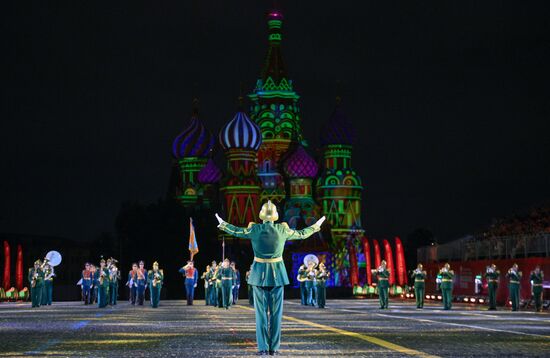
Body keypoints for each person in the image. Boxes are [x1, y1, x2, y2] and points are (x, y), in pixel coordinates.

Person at [216, 200, 325, 356]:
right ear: (275, 216)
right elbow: (302, 234)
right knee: (276, 314)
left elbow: (236, 231)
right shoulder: (282, 229)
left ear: (262, 216)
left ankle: (262, 347)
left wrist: (223, 223)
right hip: (277, 275)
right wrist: (316, 226)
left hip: (258, 275)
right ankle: (273, 348)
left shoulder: (255, 229)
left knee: (260, 315)